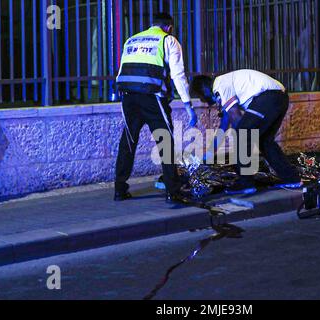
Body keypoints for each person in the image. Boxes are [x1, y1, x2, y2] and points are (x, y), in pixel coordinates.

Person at [114, 13, 197, 203]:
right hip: (152, 97)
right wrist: (188, 106)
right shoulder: (168, 40)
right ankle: (173, 192)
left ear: (152, 25)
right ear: (169, 27)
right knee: (165, 142)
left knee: (128, 142)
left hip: (127, 97)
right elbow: (178, 75)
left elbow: (121, 71)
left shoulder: (132, 40)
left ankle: (119, 190)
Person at [191, 69, 301, 194]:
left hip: (268, 97)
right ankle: (292, 179)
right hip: (280, 98)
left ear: (204, 89)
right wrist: (211, 152)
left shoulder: (220, 85)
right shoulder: (225, 86)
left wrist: (242, 145)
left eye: (200, 96)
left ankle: (246, 183)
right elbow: (225, 123)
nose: (203, 101)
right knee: (265, 141)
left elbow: (236, 117)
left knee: (242, 133)